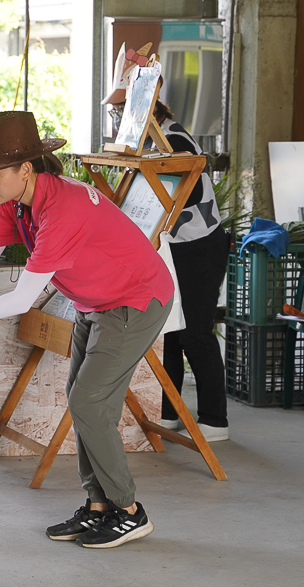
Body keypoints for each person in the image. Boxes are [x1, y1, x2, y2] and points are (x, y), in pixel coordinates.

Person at [0, 111, 174, 549]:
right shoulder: (17, 203)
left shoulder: (63, 208)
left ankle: (128, 510)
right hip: (95, 304)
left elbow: (19, 299)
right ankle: (98, 507)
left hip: (135, 300)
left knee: (88, 401)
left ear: (25, 170)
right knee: (87, 401)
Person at [107, 96, 230, 441]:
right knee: (171, 331)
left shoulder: (172, 141)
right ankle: (169, 412)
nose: (118, 118)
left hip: (199, 246)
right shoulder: (148, 143)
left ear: (148, 109)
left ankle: (214, 419)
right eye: (116, 112)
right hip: (174, 249)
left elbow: (183, 197)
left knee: (196, 332)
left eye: (122, 110)